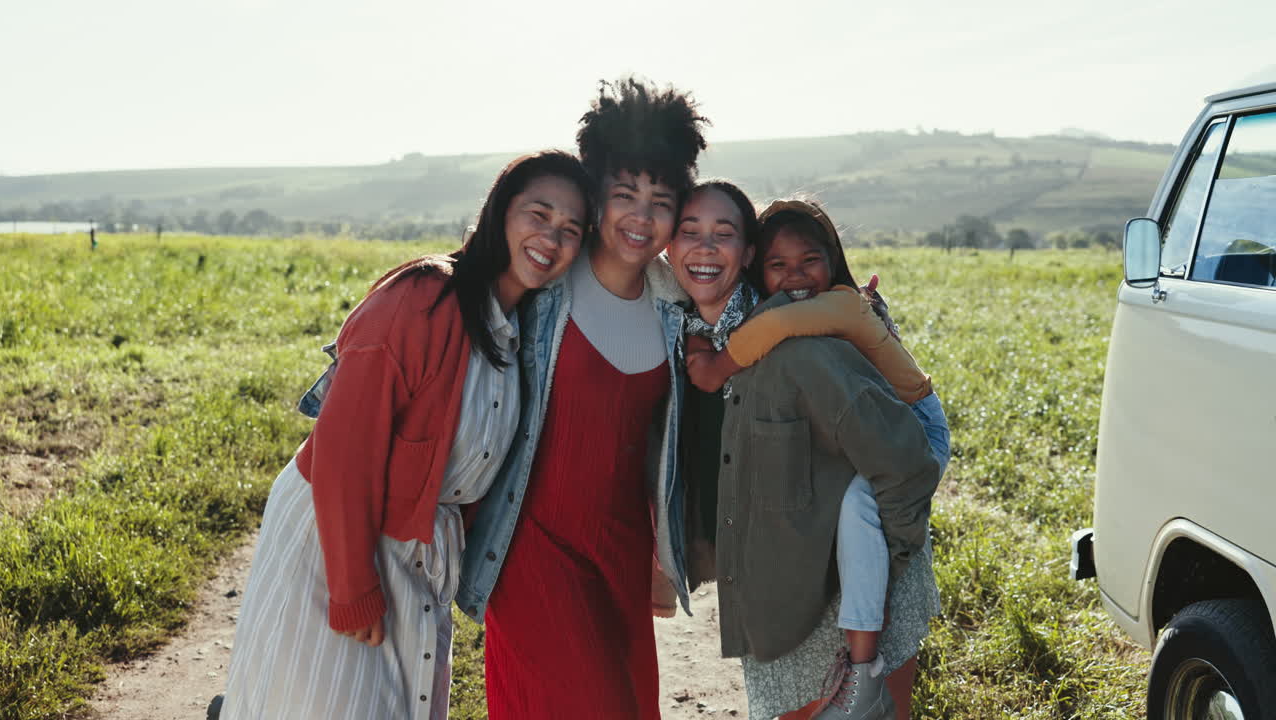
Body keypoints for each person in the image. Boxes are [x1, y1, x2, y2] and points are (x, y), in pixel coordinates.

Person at [217, 151, 592, 720]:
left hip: (421, 547)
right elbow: (344, 445)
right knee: (320, 702)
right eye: (537, 214)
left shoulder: (520, 328)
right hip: (338, 539)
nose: (551, 237)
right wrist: (351, 586)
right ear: (498, 212)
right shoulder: (424, 297)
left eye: (570, 229)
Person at [456, 77, 709, 719]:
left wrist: (662, 552)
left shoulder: (674, 305)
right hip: (532, 543)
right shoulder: (545, 285)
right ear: (597, 196)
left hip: (619, 551)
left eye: (660, 199)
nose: (641, 217)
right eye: (625, 194)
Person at [669, 181, 942, 720]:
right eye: (688, 232)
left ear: (743, 252)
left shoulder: (793, 335)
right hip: (778, 583)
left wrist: (890, 564)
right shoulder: (680, 318)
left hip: (848, 578)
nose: (704, 248)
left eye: (722, 234)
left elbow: (901, 463)